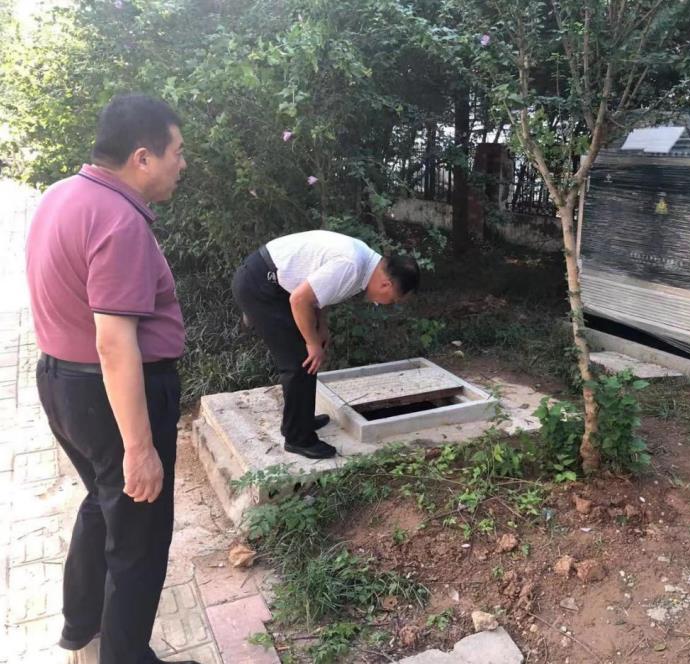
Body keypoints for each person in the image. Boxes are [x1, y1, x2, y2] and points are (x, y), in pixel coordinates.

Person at [25, 94, 196, 664]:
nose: (182, 164)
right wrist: (139, 448)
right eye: (177, 152)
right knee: (139, 540)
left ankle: (82, 624)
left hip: (60, 383)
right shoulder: (119, 220)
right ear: (143, 157)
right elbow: (114, 341)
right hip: (112, 393)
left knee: (103, 505)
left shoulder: (61, 194)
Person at [232, 230, 420, 458]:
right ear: (386, 285)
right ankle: (298, 438)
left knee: (307, 357)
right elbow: (299, 299)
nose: (388, 304)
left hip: (276, 284)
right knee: (300, 360)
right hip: (261, 285)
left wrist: (321, 326)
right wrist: (312, 343)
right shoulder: (352, 265)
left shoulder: (365, 264)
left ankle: (300, 420)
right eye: (393, 300)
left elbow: (320, 292)